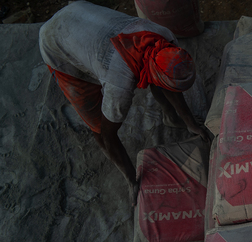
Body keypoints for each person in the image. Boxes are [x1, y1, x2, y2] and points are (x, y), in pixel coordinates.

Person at [39, 1, 210, 206]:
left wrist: (189, 121)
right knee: (96, 122)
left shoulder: (163, 36)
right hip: (55, 40)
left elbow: (166, 80)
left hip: (81, 12)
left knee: (162, 81)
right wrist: (131, 178)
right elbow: (107, 135)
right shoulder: (119, 84)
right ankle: (127, 176)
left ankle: (170, 117)